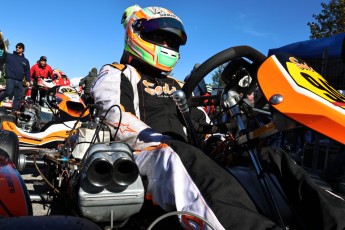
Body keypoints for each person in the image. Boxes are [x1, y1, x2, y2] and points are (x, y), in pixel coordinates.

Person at [91, 5, 345, 230]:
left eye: (171, 41)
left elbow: (198, 119)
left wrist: (217, 139)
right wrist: (162, 141)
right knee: (179, 153)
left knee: (271, 157)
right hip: (142, 153)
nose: (166, 46)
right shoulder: (118, 73)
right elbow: (114, 115)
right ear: (136, 34)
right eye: (159, 38)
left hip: (186, 155)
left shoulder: (178, 85)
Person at [0, 42, 30, 114]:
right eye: (16, 47)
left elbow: (27, 71)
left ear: (23, 49)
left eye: (19, 47)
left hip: (19, 81)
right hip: (10, 78)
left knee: (18, 95)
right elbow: (1, 55)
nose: (17, 48)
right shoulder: (9, 56)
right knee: (9, 91)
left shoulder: (25, 61)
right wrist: (2, 45)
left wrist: (28, 80)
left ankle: (14, 110)